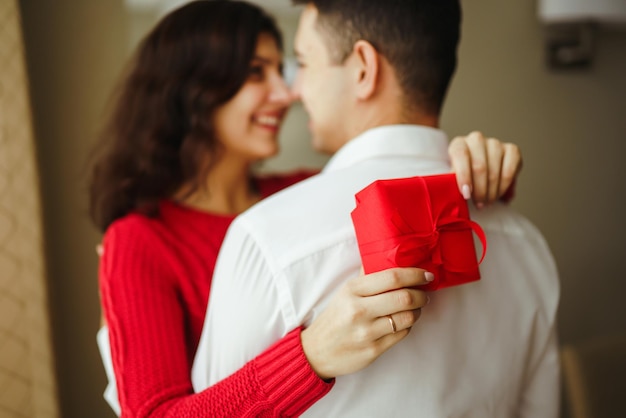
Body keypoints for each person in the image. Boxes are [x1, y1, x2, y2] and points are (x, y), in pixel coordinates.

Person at [90, 1, 523, 417]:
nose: (285, 93)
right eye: (256, 73)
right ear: (189, 88)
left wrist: (473, 161)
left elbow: (402, 164)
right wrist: (310, 356)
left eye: (283, 69)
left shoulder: (306, 191)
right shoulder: (139, 242)